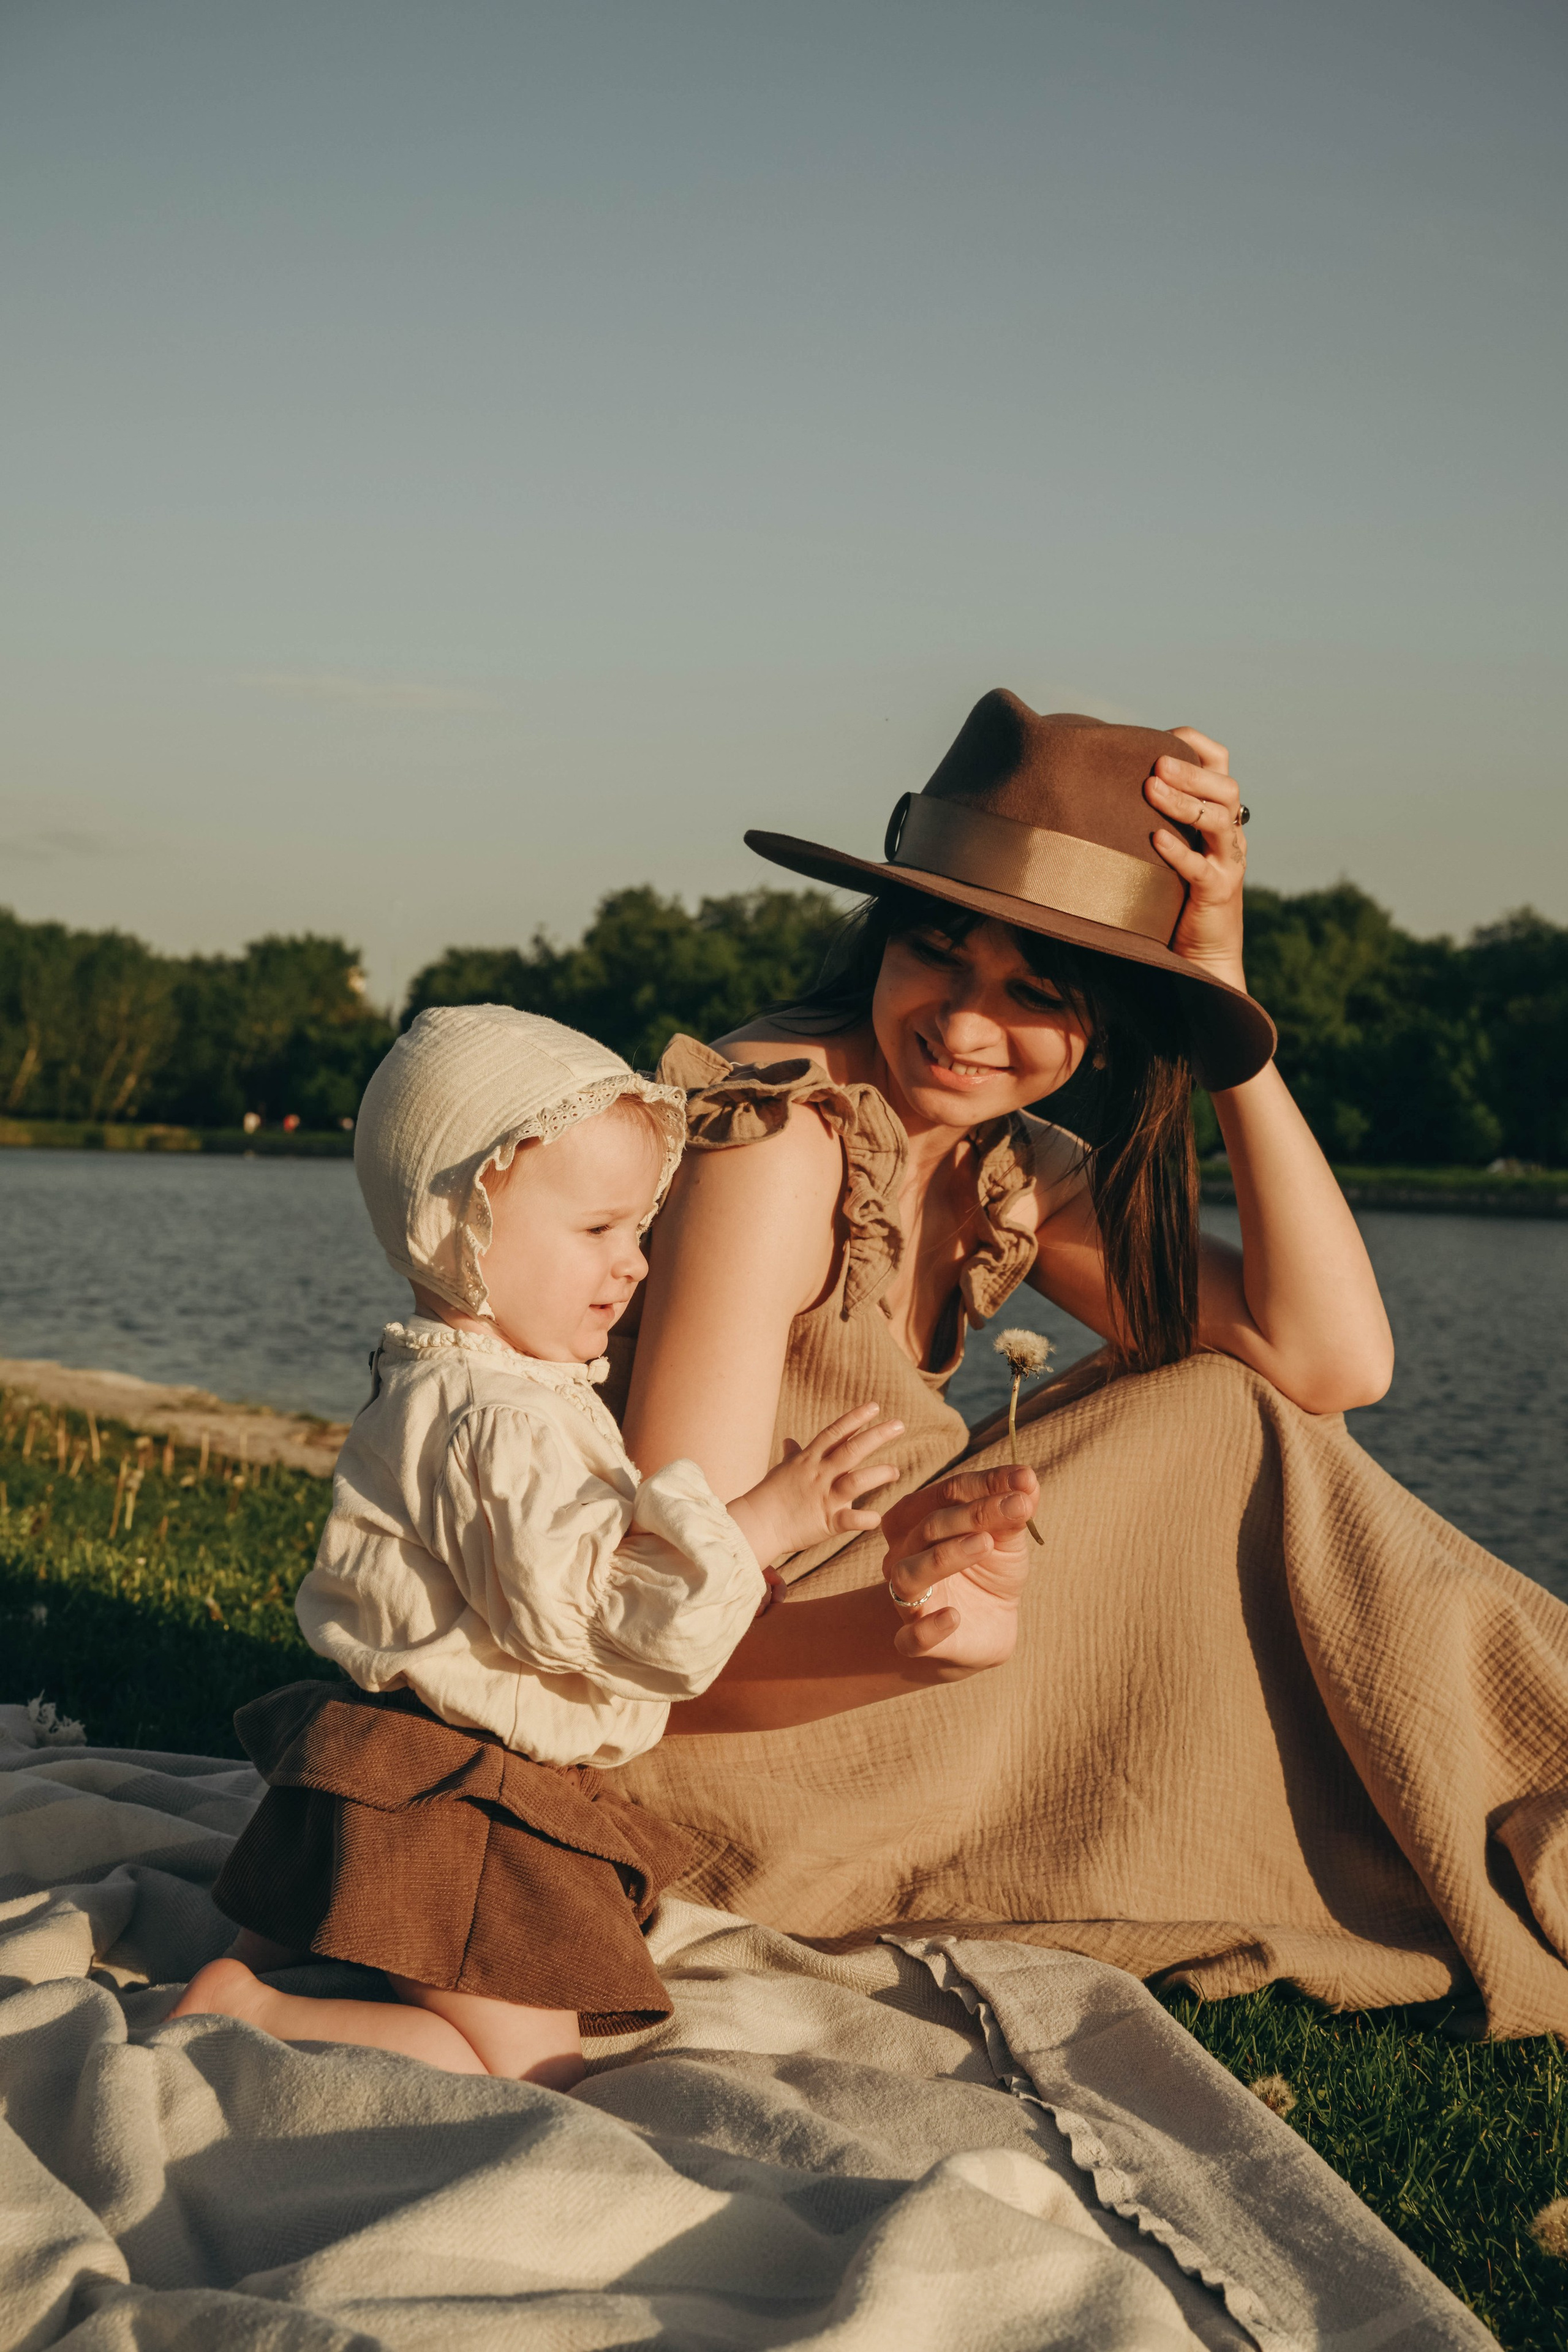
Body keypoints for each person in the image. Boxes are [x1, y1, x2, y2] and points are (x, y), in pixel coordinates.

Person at [605, 689, 1568, 2040]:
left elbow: (1327, 1359)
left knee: (1239, 1403)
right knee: (1215, 1423)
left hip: (865, 1659)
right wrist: (912, 1641)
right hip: (704, 1752)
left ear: (1104, 1027)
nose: (963, 1023)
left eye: (1035, 992)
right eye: (934, 953)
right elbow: (661, 1612)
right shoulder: (782, 1130)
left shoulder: (1002, 1166)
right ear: (879, 939)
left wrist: (1224, 1007)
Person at [173, 1008, 1025, 2082]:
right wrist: (764, 1521)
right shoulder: (495, 1419)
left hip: (390, 1763)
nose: (634, 1266)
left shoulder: (489, 1381)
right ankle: (251, 2010)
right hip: (458, 1796)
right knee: (534, 2067)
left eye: (641, 1232)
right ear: (462, 1228)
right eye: (598, 1232)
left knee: (360, 1935)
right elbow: (582, 1613)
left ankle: (295, 1950)